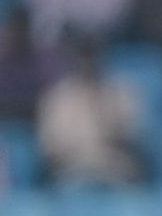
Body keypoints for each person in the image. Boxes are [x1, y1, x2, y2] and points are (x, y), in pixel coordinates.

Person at [37, 36, 143, 185]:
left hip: (116, 168)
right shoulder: (58, 97)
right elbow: (51, 151)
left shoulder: (122, 92)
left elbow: (133, 141)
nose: (88, 63)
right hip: (72, 170)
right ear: (74, 60)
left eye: (93, 56)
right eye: (83, 57)